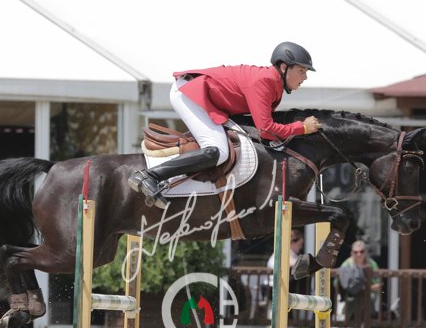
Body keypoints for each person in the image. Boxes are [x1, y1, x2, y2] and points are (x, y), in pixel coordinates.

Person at [128, 41, 322, 208]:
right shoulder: (265, 81)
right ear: (284, 67)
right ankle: (150, 176)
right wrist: (302, 128)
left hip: (204, 98)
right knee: (218, 151)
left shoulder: (274, 84)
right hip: (190, 94)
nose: (304, 77)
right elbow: (265, 129)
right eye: (301, 71)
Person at [338, 240, 381, 328]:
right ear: (352, 253)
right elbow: (338, 283)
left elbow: (378, 285)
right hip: (350, 294)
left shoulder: (372, 264)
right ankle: (343, 326)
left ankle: (368, 327)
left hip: (368, 295)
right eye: (356, 252)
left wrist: (364, 288)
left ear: (365, 252)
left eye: (361, 251)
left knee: (369, 298)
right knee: (350, 300)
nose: (359, 254)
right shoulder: (346, 265)